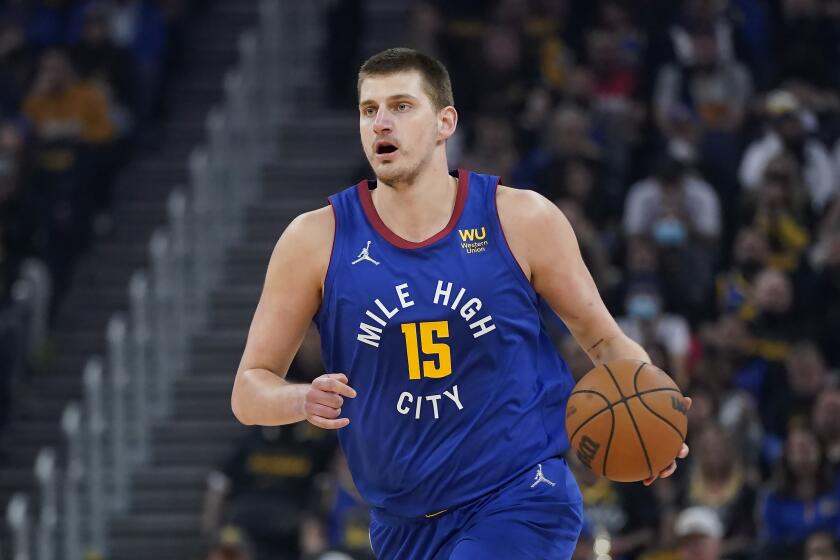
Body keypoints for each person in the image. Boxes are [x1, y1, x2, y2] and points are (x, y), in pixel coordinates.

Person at [231, 47, 690, 560]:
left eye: (401, 106)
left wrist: (652, 410)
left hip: (520, 496)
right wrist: (300, 400)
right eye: (369, 110)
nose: (381, 122)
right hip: (400, 524)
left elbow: (603, 338)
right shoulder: (315, 240)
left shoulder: (521, 219)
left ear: (445, 121)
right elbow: (249, 390)